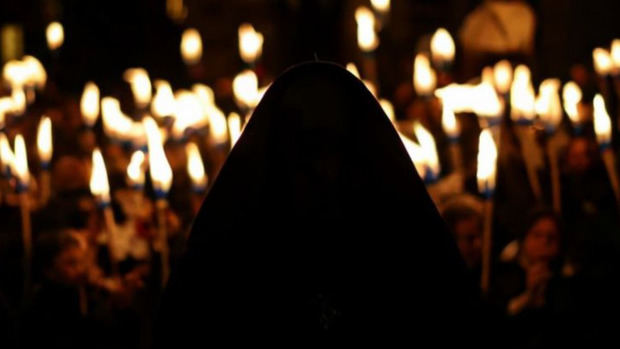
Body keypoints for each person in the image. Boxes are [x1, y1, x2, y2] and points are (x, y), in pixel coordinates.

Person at [156, 62, 481, 346]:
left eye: (336, 150)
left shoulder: (404, 245)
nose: (323, 170)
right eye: (306, 150)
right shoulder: (229, 251)